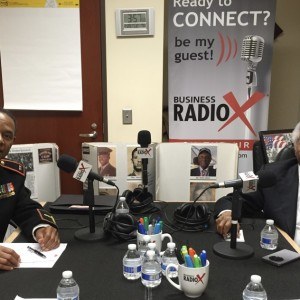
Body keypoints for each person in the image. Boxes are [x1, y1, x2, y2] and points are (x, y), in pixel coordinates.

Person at [214, 121, 300, 244]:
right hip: (288, 253)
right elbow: (231, 200)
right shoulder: (272, 173)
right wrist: (227, 213)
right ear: (295, 145)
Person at [0, 108, 60, 271]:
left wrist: (41, 227)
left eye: (7, 135)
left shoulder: (11, 175)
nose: (1, 141)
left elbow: (25, 208)